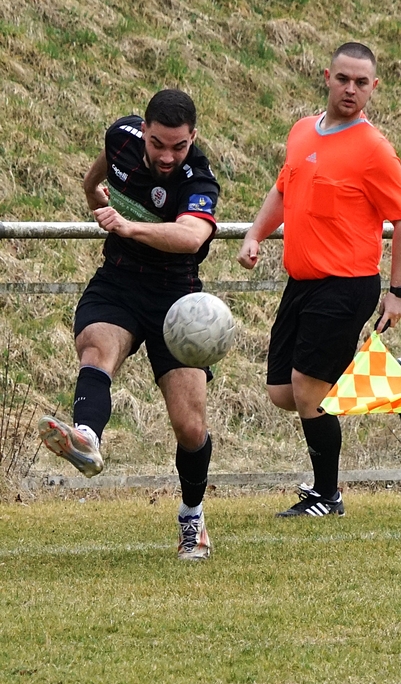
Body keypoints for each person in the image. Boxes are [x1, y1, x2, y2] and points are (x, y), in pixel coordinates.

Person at [38, 89, 221, 561]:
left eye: (178, 146)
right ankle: (87, 437)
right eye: (158, 144)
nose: (167, 156)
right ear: (144, 131)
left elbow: (192, 236)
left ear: (193, 137)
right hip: (119, 281)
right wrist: (90, 191)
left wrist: (127, 226)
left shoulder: (199, 177)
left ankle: (192, 516)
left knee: (190, 426)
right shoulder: (121, 134)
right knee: (95, 347)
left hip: (176, 299)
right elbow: (103, 166)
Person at [237, 41, 401, 517]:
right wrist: (255, 234)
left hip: (347, 283)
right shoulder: (302, 131)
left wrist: (398, 293)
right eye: (343, 79)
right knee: (282, 392)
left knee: (307, 388)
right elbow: (283, 190)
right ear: (327, 78)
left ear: (373, 87)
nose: (350, 89)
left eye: (361, 82)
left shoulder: (374, 149)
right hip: (301, 282)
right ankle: (390, 379)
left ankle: (326, 495)